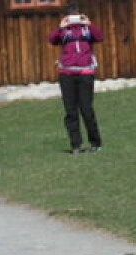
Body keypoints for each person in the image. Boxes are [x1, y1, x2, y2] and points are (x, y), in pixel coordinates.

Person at [47, 2, 102, 154]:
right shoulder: (64, 31)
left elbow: (99, 36)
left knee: (86, 109)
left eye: (76, 16)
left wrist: (89, 24)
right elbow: (51, 39)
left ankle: (95, 143)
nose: (74, 19)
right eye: (71, 16)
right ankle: (76, 145)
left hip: (85, 73)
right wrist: (61, 27)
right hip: (66, 74)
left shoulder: (86, 29)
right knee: (70, 111)